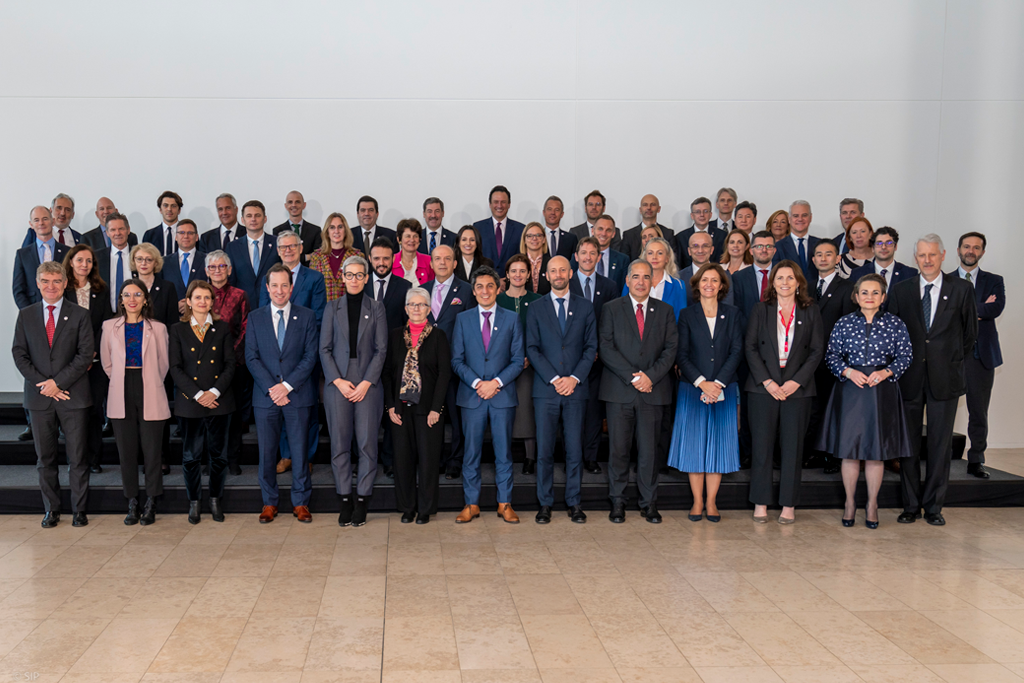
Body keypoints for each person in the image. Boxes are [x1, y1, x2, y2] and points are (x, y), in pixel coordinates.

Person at [888, 235, 977, 525]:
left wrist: (946, 360)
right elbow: (893, 334)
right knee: (909, 446)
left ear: (943, 255)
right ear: (915, 258)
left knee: (940, 446)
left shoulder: (961, 289)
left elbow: (969, 335)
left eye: (932, 255)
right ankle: (911, 506)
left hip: (945, 379)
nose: (927, 260)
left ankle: (934, 507)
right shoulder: (901, 290)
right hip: (909, 379)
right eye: (922, 255)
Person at [819, 274, 913, 528]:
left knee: (875, 453)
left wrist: (886, 372)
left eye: (875, 293)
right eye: (864, 292)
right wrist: (848, 371)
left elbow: (905, 355)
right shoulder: (844, 323)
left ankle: (872, 504)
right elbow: (831, 355)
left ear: (883, 297)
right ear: (856, 296)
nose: (869, 297)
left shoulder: (895, 324)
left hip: (881, 392)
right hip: (851, 390)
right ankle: (850, 503)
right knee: (849, 452)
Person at [12, 261, 94, 528]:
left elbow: (85, 355)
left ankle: (79, 510)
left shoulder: (80, 314)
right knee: (45, 458)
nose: (51, 286)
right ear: (37, 284)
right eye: (45, 281)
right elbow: (19, 354)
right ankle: (51, 510)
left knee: (78, 457)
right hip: (39, 398)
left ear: (65, 283)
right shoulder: (26, 315)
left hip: (73, 396)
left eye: (56, 281)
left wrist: (58, 383)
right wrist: (45, 385)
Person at [745, 260, 824, 524]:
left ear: (799, 282)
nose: (785, 282)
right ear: (773, 282)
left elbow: (816, 351)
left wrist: (796, 382)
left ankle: (788, 504)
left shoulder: (811, 311)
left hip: (797, 390)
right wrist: (767, 382)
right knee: (762, 447)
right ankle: (761, 502)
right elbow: (750, 347)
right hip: (763, 389)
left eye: (790, 278)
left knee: (792, 449)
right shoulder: (760, 309)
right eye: (780, 278)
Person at [599, 260, 678, 524]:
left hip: (653, 391)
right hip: (620, 391)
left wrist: (650, 377)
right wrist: (634, 377)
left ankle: (649, 503)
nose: (641, 282)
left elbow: (671, 349)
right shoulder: (611, 309)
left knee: (649, 453)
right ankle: (617, 502)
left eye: (646, 277)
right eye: (636, 276)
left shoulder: (665, 311)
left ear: (652, 280)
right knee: (619, 451)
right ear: (627, 280)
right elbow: (606, 347)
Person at [669, 263, 744, 522]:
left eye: (714, 280)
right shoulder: (686, 315)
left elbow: (737, 351)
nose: (709, 284)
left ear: (722, 286)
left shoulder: (733, 314)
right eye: (704, 280)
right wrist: (702, 383)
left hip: (724, 388)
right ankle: (697, 501)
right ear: (697, 285)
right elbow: (681, 354)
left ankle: (711, 502)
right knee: (694, 446)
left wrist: (718, 383)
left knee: (718, 446)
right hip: (693, 388)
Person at [451, 265, 525, 523]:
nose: (485, 291)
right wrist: (477, 383)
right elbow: (457, 360)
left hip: (501, 396)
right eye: (480, 286)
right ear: (473, 291)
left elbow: (518, 360)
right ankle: (471, 504)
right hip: (472, 397)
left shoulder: (512, 319)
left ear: (498, 289)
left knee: (503, 453)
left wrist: (495, 383)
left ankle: (505, 503)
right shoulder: (463, 319)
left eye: (490, 286)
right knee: (471, 452)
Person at [246, 265, 319, 524]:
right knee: (267, 453)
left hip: (297, 395)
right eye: (274, 285)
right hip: (266, 397)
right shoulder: (255, 317)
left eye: (284, 285)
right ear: (267, 288)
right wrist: (273, 388)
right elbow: (251, 357)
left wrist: (286, 386)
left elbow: (310, 356)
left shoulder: (307, 316)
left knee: (299, 452)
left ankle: (301, 502)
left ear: (291, 287)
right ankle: (269, 502)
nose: (279, 290)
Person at [526, 256, 597, 524]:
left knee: (574, 450)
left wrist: (574, 378)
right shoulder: (536, 307)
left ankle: (574, 502)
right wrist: (555, 378)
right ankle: (544, 503)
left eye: (562, 270)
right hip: (546, 390)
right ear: (546, 275)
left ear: (570, 273)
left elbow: (591, 347)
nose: (558, 274)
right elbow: (532, 348)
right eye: (553, 271)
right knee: (544, 450)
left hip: (576, 390)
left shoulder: (586, 307)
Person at [320, 255, 388, 527]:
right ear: (343, 278)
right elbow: (324, 349)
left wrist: (366, 382)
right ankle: (345, 499)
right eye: (350, 275)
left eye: (360, 275)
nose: (355, 280)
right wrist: (337, 380)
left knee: (367, 444)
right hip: (338, 382)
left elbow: (381, 350)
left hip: (367, 383)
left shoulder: (377, 307)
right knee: (339, 444)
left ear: (366, 278)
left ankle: (362, 500)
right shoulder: (331, 307)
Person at [100, 278, 170, 526]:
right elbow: (107, 363)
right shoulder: (109, 326)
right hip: (121, 388)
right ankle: (132, 501)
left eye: (137, 295)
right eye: (127, 295)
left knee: (152, 451)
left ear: (145, 299)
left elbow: (163, 364)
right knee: (126, 452)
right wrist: (123, 379)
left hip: (150, 387)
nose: (132, 299)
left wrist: (149, 380)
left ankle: (151, 502)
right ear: (120, 300)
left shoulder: (158, 328)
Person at [258, 230, 328, 475]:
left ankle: (305, 455)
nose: (288, 250)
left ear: (300, 248)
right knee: (280, 404)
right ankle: (287, 455)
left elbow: (318, 316)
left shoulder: (314, 278)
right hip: (275, 357)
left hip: (304, 355)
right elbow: (262, 314)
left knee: (306, 409)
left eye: (292, 246)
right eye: (283, 247)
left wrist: (297, 341)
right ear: (278, 251)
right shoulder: (268, 278)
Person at [168, 281, 236, 524]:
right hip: (190, 402)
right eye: (197, 297)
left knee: (219, 456)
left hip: (219, 401)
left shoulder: (222, 328)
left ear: (212, 302)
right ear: (188, 301)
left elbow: (230, 364)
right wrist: (199, 395)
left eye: (207, 298)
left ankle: (215, 500)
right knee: (191, 457)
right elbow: (175, 368)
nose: (202, 302)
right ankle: (194, 502)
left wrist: (214, 392)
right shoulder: (177, 329)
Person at [384, 287, 451, 524]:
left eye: (421, 304)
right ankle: (407, 507)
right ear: (405, 309)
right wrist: (390, 406)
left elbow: (444, 374)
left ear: (429, 309)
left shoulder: (439, 336)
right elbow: (387, 373)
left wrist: (436, 409)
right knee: (402, 461)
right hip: (400, 410)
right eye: (412, 304)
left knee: (428, 461)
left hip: (428, 411)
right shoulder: (394, 336)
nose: (416, 308)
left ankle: (425, 508)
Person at [569, 237, 620, 474]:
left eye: (593, 253)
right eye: (583, 252)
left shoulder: (610, 286)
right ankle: (572, 457)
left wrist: (599, 350)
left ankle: (590, 457)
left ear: (599, 257)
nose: (588, 257)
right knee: (572, 411)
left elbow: (611, 323)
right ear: (576, 256)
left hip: (600, 360)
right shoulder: (566, 283)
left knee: (593, 412)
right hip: (571, 361)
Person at [424, 245, 475, 479]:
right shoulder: (422, 290)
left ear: (455, 263)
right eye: (437, 259)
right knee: (431, 416)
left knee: (456, 417)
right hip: (428, 367)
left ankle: (455, 460)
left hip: (456, 365)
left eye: (447, 259)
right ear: (431, 263)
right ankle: (433, 459)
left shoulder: (467, 290)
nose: (442, 263)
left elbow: (471, 327)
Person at [956, 232, 1004, 479]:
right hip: (951, 356)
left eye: (976, 247)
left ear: (982, 252)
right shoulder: (945, 279)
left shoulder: (994, 280)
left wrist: (963, 310)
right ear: (959, 249)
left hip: (981, 355)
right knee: (942, 411)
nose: (971, 251)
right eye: (967, 246)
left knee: (978, 412)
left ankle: (976, 460)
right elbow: (943, 313)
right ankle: (938, 458)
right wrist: (979, 308)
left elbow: (995, 308)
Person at [806, 239, 856, 473]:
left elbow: (849, 326)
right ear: (813, 259)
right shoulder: (805, 287)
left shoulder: (848, 287)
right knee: (813, 410)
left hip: (836, 361)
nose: (823, 258)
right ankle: (814, 453)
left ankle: (834, 457)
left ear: (838, 259)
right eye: (819, 254)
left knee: (835, 410)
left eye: (828, 254)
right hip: (808, 361)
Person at [730, 231, 777, 470]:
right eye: (759, 246)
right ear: (751, 250)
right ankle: (748, 453)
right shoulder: (739, 278)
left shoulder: (783, 275)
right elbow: (736, 314)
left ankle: (774, 454)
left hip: (779, 352)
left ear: (774, 250)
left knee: (775, 404)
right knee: (748, 405)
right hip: (748, 352)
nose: (764, 250)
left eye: (768, 246)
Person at [62, 245, 111, 474]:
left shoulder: (101, 289)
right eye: (80, 260)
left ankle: (93, 459)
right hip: (69, 362)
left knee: (94, 411)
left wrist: (91, 352)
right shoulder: (62, 289)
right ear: (71, 262)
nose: (84, 264)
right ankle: (75, 459)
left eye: (89, 261)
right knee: (73, 413)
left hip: (96, 361)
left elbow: (106, 323)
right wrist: (78, 356)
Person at [368, 236, 412, 478]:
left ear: (393, 259)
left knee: (393, 412)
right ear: (370, 259)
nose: (381, 263)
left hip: (395, 361)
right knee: (365, 414)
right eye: (377, 258)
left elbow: (408, 326)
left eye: (386, 258)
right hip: (364, 361)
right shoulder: (361, 283)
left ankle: (390, 461)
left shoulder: (405, 286)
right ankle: (363, 461)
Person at [207, 250, 250, 476]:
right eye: (213, 267)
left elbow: (245, 328)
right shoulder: (200, 294)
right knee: (210, 416)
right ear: (207, 271)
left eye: (222, 266)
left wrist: (229, 358)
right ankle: (212, 461)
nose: (217, 271)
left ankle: (233, 460)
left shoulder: (240, 295)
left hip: (234, 365)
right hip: (205, 366)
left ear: (229, 270)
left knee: (233, 415)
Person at [497, 254, 541, 474]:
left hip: (529, 365)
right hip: (501, 366)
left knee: (527, 412)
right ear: (507, 274)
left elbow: (542, 333)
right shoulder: (497, 300)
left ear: (528, 275)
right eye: (513, 271)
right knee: (503, 411)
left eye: (522, 271)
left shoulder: (538, 300)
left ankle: (530, 458)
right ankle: (503, 456)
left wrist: (528, 357)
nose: (518, 275)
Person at [227, 200, 281, 310]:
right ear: (242, 220)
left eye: (257, 215)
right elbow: (231, 280)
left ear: (265, 219)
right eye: (249, 216)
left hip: (272, 305)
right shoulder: (232, 247)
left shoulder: (277, 243)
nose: (253, 219)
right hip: (242, 307)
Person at [15, 206, 70, 310]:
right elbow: (18, 290)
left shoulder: (68, 252)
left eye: (45, 219)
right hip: (33, 312)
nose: (41, 223)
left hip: (64, 312)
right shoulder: (22, 254)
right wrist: (30, 313)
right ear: (31, 224)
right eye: (36, 220)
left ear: (53, 221)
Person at [849, 226, 918, 304]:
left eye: (889, 243)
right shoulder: (857, 274)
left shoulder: (910, 274)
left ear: (895, 247)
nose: (884, 247)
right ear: (873, 248)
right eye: (879, 243)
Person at [309, 212, 364, 302]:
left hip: (350, 307)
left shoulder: (357, 256)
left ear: (345, 231)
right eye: (332, 227)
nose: (336, 231)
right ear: (327, 232)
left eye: (340, 227)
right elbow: (312, 288)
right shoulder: (316, 257)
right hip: (324, 308)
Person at [474, 185, 525, 275]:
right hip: (485, 280)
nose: (499, 206)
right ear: (490, 204)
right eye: (496, 202)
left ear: (509, 205)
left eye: (503, 202)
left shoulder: (520, 229)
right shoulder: (478, 228)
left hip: (511, 281)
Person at [162, 219, 207, 317]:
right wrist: (174, 305)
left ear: (196, 237)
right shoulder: (164, 262)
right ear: (176, 237)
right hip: (172, 318)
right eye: (182, 233)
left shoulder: (207, 260)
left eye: (190, 233)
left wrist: (192, 304)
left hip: (200, 316)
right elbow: (162, 292)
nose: (186, 236)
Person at [678, 232, 734, 308]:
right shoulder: (679, 277)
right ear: (689, 251)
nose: (700, 250)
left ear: (712, 250)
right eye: (695, 246)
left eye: (705, 246)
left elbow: (727, 307)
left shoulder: (725, 275)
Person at [95, 213, 136, 315]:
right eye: (113, 230)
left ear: (128, 230)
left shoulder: (139, 256)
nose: (117, 233)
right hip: (106, 316)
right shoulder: (97, 258)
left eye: (121, 229)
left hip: (134, 314)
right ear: (107, 233)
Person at [773, 201, 819, 283]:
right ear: (789, 219)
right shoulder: (778, 247)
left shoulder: (820, 244)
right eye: (795, 216)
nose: (800, 219)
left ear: (810, 217)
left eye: (804, 215)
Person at [676, 197, 727, 269]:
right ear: (692, 216)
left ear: (710, 214)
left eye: (705, 211)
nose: (702, 215)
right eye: (697, 212)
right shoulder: (681, 238)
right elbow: (679, 265)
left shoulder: (722, 236)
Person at [272, 190, 323, 261]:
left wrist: (290, 256)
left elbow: (317, 256)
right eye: (290, 202)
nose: (294, 205)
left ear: (304, 205)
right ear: (286, 206)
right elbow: (279, 257)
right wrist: (306, 257)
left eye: (297, 202)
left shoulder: (315, 231)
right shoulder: (278, 231)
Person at [621, 194, 674, 262]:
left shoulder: (668, 234)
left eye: (653, 205)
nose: (649, 208)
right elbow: (624, 263)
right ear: (640, 210)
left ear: (659, 209)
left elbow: (673, 260)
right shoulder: (628, 235)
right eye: (645, 205)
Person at [583, 214, 629, 291]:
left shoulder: (622, 260)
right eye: (600, 229)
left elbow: (623, 289)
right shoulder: (579, 258)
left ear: (613, 234)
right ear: (592, 231)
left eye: (608, 230)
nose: (604, 234)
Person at [392, 218, 434, 285]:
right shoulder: (391, 261)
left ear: (420, 239)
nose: (412, 240)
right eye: (408, 236)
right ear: (399, 239)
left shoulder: (429, 261)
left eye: (415, 236)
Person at [143, 190, 183, 256]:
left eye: (173, 206)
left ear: (179, 210)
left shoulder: (187, 234)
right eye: (165, 205)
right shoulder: (150, 235)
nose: (169, 209)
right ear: (160, 209)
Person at [520, 222, 551, 295]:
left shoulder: (551, 263)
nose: (534, 238)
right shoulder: (517, 263)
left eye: (538, 235)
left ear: (544, 239)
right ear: (524, 240)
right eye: (530, 236)